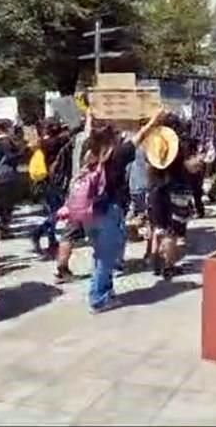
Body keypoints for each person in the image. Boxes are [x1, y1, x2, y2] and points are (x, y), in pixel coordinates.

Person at [86, 111, 162, 313]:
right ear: (111, 137)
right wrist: (154, 120)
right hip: (109, 209)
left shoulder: (90, 154)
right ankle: (99, 298)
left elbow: (90, 133)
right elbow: (140, 136)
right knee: (106, 256)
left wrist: (90, 117)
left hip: (91, 211)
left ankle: (105, 290)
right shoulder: (117, 155)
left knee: (100, 255)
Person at [146, 123, 202, 280]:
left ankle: (156, 262)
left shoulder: (153, 160)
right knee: (171, 233)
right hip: (173, 195)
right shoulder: (177, 157)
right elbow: (189, 170)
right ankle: (169, 266)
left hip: (155, 194)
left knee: (157, 228)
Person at [30, 119, 71, 257]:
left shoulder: (42, 142)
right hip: (56, 180)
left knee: (53, 210)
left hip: (47, 180)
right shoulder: (56, 142)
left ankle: (51, 240)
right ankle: (38, 232)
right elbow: (67, 137)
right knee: (57, 212)